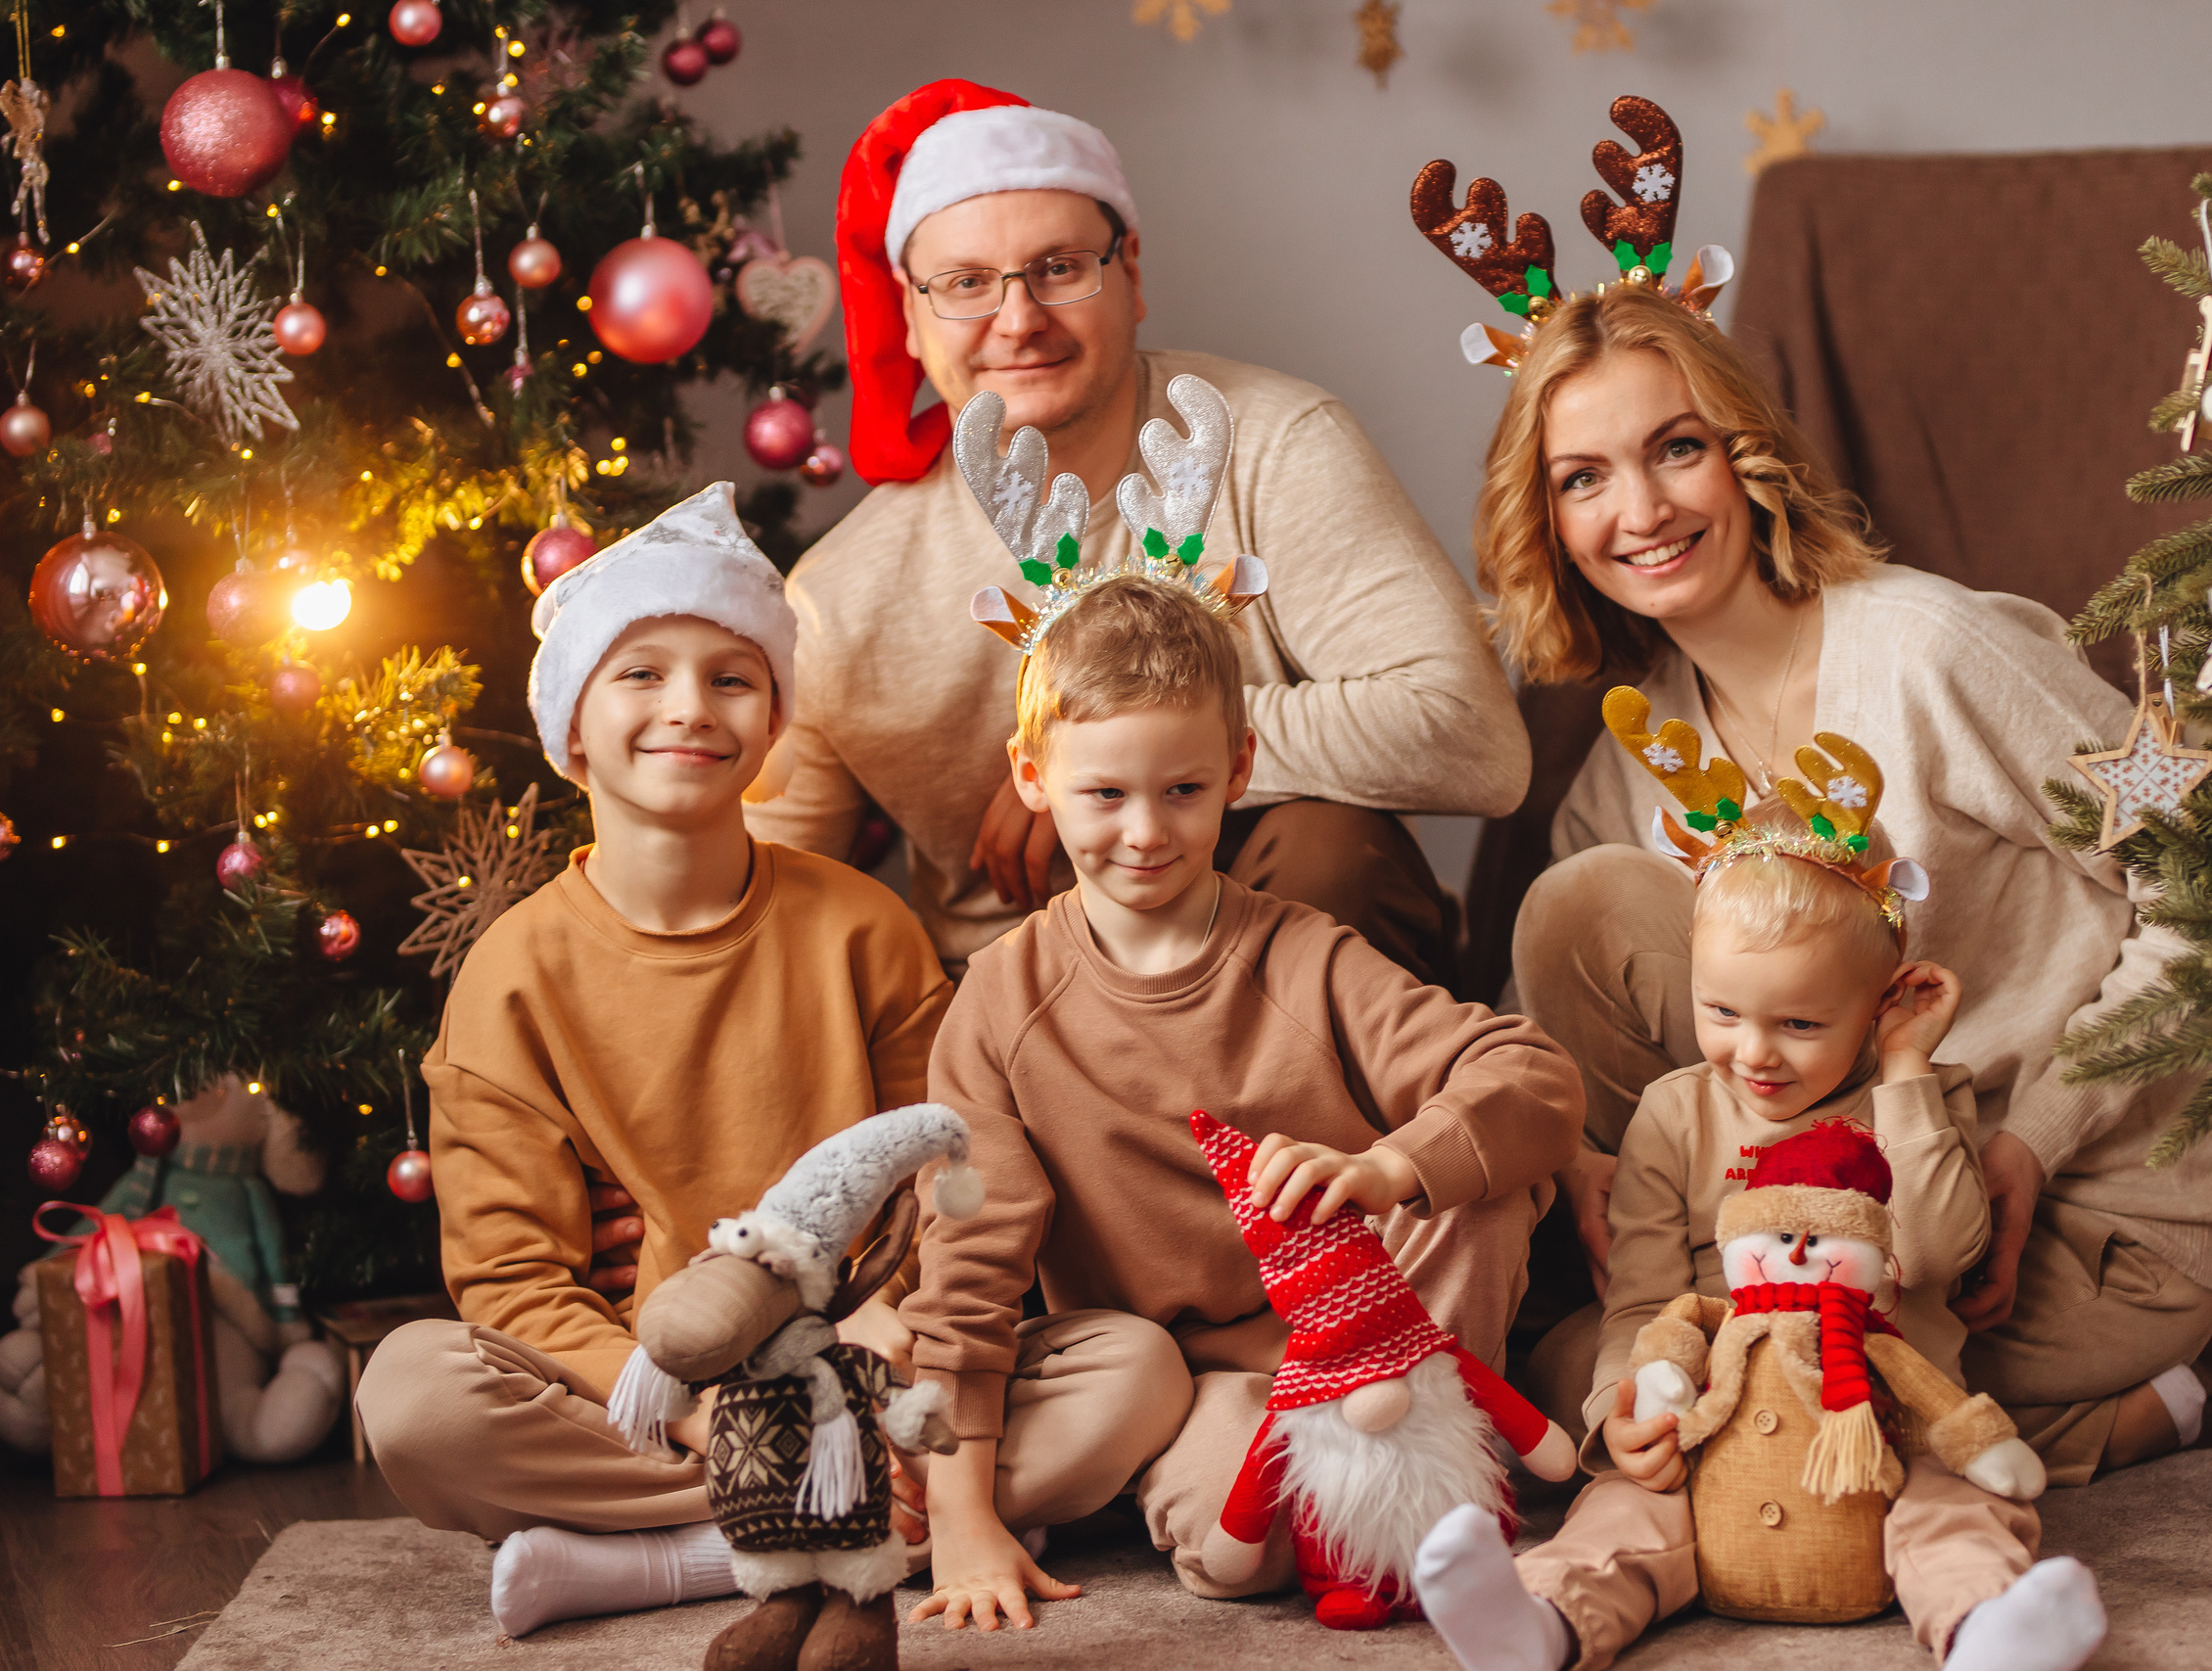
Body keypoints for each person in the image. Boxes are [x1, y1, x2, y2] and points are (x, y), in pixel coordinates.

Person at [1409, 101, 2212, 1484]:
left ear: (1744, 451)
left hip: (2073, 1208)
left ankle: (2113, 1392)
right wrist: (1576, 1164)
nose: (1641, 510)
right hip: (1826, 1216)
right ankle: (1894, 1384)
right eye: (1583, 477)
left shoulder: (1927, 648)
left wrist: (2037, 1134)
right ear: (1547, 519)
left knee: (1666, 1398)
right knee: (1578, 912)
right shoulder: (1641, 745)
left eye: (1675, 447)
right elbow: (1590, 1014)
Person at [898, 442, 1581, 1630]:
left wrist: (1388, 1166)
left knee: (1477, 1187)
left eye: (1182, 792)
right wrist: (964, 1518)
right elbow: (966, 1284)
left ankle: (1433, 1464)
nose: (1144, 833)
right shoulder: (1000, 1005)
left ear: (1240, 773)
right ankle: (1316, 1502)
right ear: (1034, 775)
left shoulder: (1303, 956)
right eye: (1102, 795)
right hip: (1194, 1379)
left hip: (1372, 1339)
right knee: (1247, 1560)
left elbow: (1527, 1074)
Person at [743, 79, 1528, 988]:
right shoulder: (840, 599)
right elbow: (775, 905)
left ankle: (1305, 1130)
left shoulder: (1273, 443)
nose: (1019, 318)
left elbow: (1477, 741)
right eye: (964, 285)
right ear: (911, 319)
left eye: (1060, 267)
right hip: (1021, 1007)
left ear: (1132, 275)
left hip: (1294, 968)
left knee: (1332, 847)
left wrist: (1126, 754)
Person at [353, 485, 953, 1637]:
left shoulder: (864, 927)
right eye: (642, 674)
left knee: (1121, 1370)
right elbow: (516, 1283)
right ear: (573, 724)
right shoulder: (511, 978)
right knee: (417, 1397)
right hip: (653, 1393)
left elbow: (941, 1187)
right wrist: (702, 1414)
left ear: (772, 726)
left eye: (731, 678)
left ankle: (680, 1557)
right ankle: (845, 1524)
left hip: (860, 1373)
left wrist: (894, 1338)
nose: (691, 707)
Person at [1410, 769, 2103, 1671]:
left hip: (1882, 1419)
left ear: (1883, 998)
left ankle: (1987, 1630)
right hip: (1716, 1419)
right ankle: (1540, 1623)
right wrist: (1620, 1412)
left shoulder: (1920, 1100)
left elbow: (1935, 1255)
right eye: (1722, 1011)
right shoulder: (1674, 1112)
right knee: (1625, 1514)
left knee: (1953, 1512)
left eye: (1803, 1023)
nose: (1755, 1052)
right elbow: (1642, 1299)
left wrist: (1903, 1070)